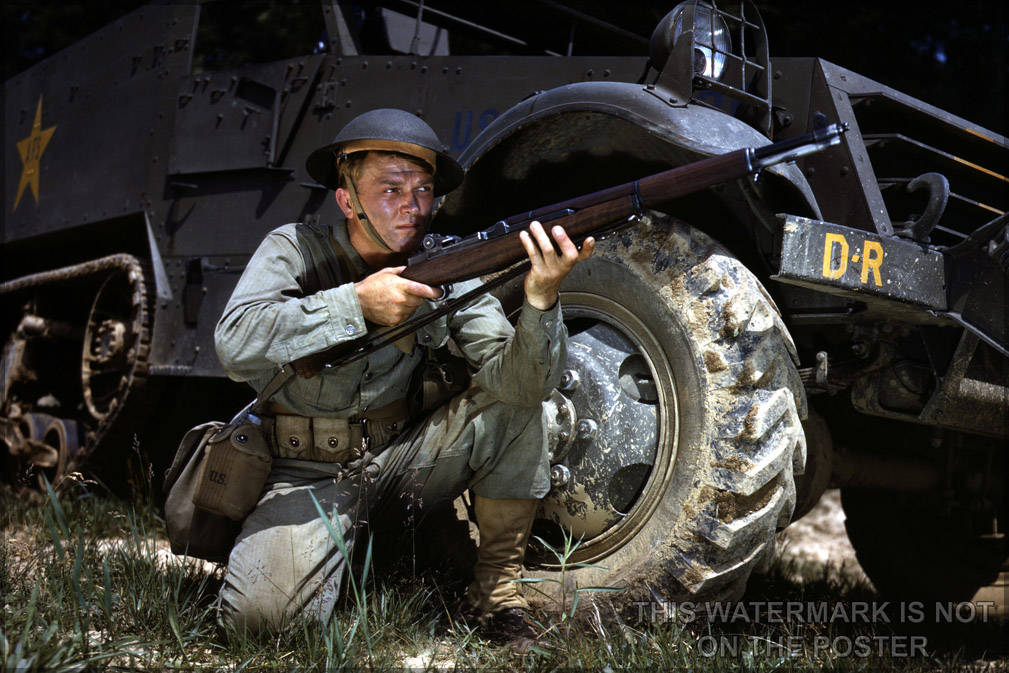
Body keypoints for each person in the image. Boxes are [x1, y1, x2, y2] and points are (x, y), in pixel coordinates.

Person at [213, 108, 594, 642]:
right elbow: (233, 345)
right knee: (262, 625)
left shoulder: (448, 270)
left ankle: (495, 598)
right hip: (306, 472)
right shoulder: (295, 250)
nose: (412, 207)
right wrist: (354, 305)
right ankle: (365, 553)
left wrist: (540, 297)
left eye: (422, 191)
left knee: (514, 406)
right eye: (390, 189)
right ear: (347, 200)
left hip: (407, 462)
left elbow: (523, 386)